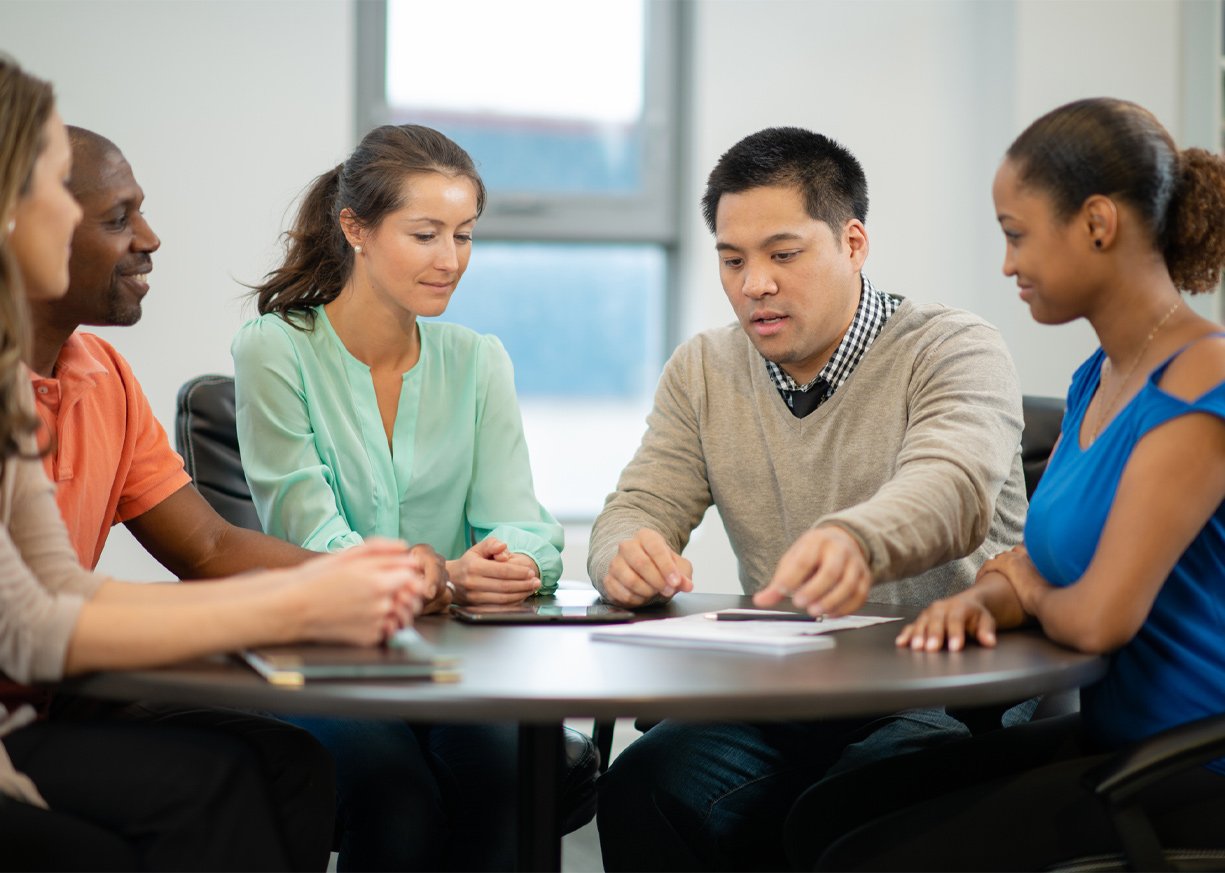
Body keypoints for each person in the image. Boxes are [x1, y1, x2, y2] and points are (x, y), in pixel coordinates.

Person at [0, 55, 432, 871]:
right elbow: (34, 620)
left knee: (292, 765)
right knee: (203, 794)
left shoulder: (94, 373)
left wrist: (366, 580)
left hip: (48, 702)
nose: (151, 239)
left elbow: (200, 548)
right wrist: (296, 602)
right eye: (116, 215)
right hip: (24, 709)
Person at [782, 98, 1225, 872]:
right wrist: (988, 595)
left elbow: (1095, 619)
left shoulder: (1202, 378)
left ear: (1096, 223)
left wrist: (1033, 586)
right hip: (1121, 738)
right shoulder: (1098, 379)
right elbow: (1029, 563)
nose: (1007, 264)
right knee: (825, 810)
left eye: (1016, 234)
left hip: (1195, 767)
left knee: (858, 858)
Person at [590, 126, 1030, 871]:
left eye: (781, 254)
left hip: (941, 684)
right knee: (644, 787)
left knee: (845, 813)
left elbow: (951, 489)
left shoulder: (953, 347)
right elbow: (637, 504)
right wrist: (622, 553)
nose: (752, 283)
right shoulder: (704, 368)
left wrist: (854, 539)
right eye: (732, 260)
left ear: (852, 243)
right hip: (787, 688)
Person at [232, 123, 580, 871]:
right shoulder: (275, 347)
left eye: (463, 234)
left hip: (455, 664)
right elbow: (312, 540)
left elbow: (524, 525)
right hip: (321, 657)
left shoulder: (477, 360)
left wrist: (507, 562)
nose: (449, 259)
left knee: (509, 775)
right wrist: (443, 574)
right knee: (394, 795)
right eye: (425, 234)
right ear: (354, 227)